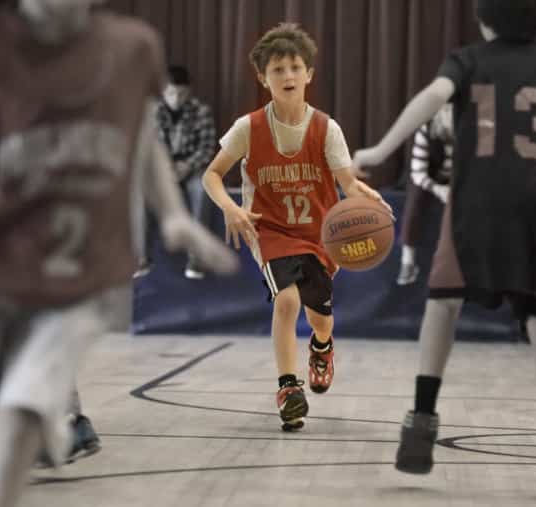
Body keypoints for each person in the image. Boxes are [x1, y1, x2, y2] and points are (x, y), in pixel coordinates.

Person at [353, 0, 536, 497]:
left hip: (477, 203)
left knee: (443, 303)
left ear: (484, 20)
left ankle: (422, 421)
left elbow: (431, 98)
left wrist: (381, 150)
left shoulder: (467, 60)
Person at [0, 3, 237, 507]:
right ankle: (59, 422)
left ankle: (63, 422)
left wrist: (171, 213)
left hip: (76, 282)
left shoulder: (131, 49)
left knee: (15, 434)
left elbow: (143, 137)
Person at [203, 22, 389, 431]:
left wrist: (362, 194)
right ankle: (289, 388)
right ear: (262, 78)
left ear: (309, 74)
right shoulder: (247, 128)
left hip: (319, 233)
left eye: (294, 68)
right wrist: (230, 208)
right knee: (286, 302)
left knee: (319, 316)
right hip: (268, 229)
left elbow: (345, 181)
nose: (287, 76)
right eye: (277, 70)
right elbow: (211, 175)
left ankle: (322, 347)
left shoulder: (326, 128)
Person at [136, 64, 219, 279]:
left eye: (181, 93)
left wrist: (188, 166)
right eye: (171, 92)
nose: (176, 98)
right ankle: (142, 258)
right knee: (140, 192)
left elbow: (207, 147)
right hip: (162, 168)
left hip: (192, 167)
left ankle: (197, 258)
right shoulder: (152, 111)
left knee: (203, 189)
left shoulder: (201, 111)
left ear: (189, 91)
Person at [397, 104, 454, 286]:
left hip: (453, 180)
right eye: (447, 111)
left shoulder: (467, 132)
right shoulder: (426, 130)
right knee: (415, 199)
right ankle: (408, 260)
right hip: (425, 178)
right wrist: (437, 189)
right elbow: (418, 173)